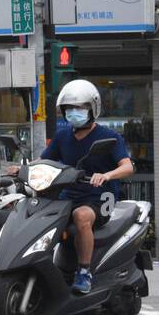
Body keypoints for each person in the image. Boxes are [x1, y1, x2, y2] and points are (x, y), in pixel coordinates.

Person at [40, 80, 134, 294]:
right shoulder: (62, 136)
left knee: (81, 217)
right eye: (69, 109)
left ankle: (84, 273)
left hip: (99, 198)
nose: (74, 112)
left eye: (80, 108)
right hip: (67, 196)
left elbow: (127, 167)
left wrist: (107, 175)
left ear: (93, 109)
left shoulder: (109, 136)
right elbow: (45, 160)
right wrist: (22, 169)